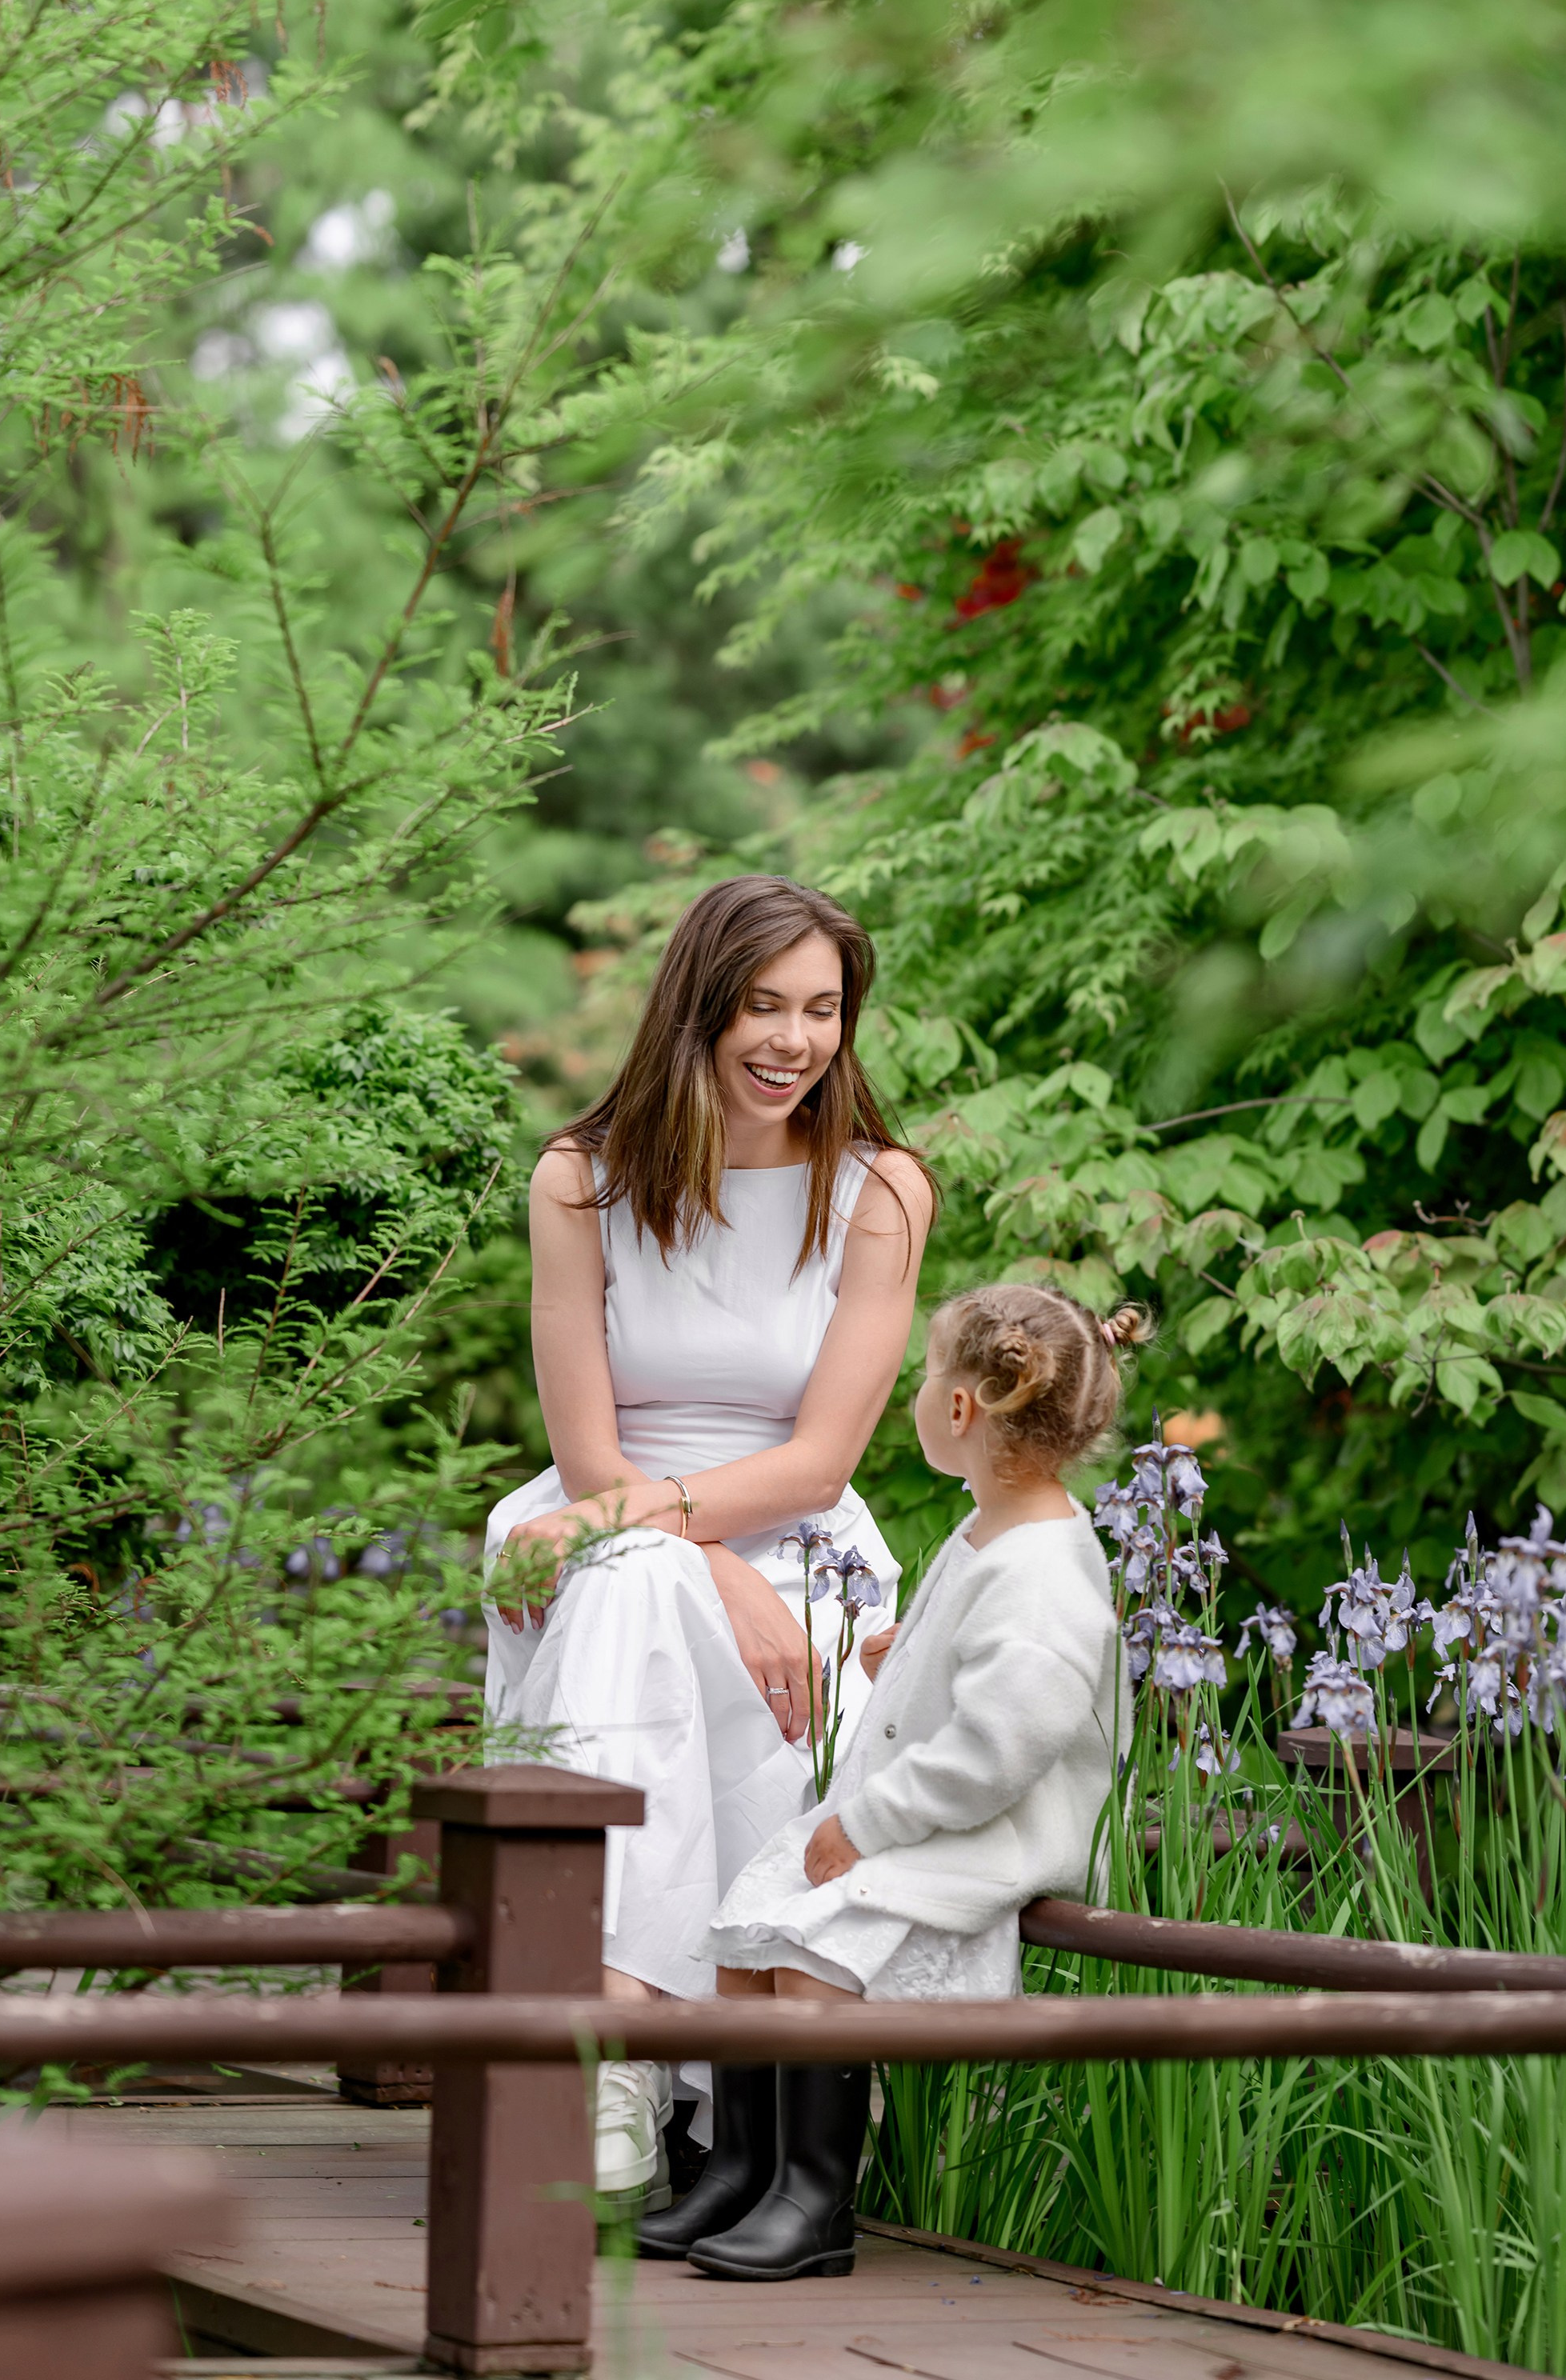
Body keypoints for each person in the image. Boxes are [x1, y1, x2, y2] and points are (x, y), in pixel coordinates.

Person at [482, 874, 934, 2210]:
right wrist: (706, 1564)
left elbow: (820, 1461)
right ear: (697, 1009)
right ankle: (621, 2060)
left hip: (804, 1553)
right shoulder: (582, 1177)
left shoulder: (878, 1190)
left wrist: (715, 1555)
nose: (794, 1042)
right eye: (762, 1007)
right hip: (602, 1515)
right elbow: (585, 1451)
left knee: (626, 1582)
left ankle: (613, 2054)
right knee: (619, 1589)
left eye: (823, 1012)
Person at [655, 1282, 1140, 2283]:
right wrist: (901, 1659)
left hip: (987, 1834)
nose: (919, 1395)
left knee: (813, 1953)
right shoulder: (991, 1532)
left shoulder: (1046, 1569)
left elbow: (1003, 1747)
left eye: (927, 1377)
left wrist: (870, 1823)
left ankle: (814, 2201)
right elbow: (974, 1682)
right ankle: (739, 2171)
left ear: (962, 1410)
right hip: (938, 1815)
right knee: (750, 1932)